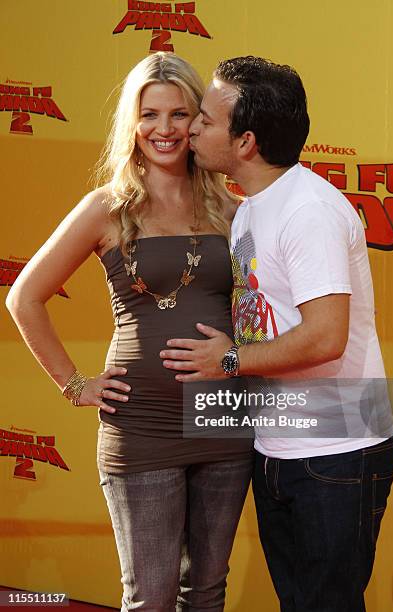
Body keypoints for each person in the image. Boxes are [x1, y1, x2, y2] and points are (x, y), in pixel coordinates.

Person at [6, 52, 253, 611]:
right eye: (149, 115)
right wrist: (74, 383)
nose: (163, 130)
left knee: (208, 590)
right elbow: (24, 297)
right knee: (150, 597)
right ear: (132, 123)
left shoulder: (231, 209)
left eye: (178, 114)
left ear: (199, 121)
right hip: (140, 425)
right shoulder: (107, 208)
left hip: (224, 420)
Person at [160, 56, 393, 612]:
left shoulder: (307, 211)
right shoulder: (249, 210)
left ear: (245, 142)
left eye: (206, 121)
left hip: (336, 451)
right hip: (280, 444)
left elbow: (325, 338)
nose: (192, 128)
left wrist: (230, 361)